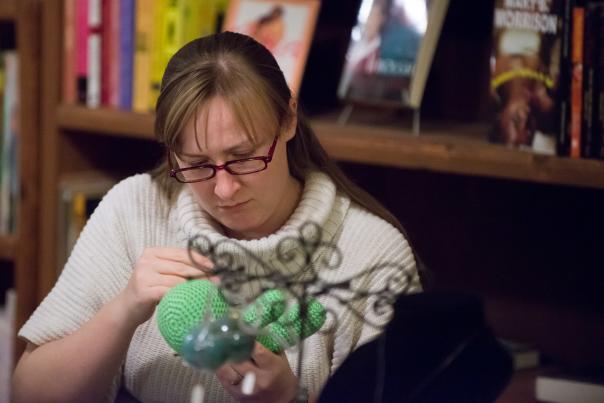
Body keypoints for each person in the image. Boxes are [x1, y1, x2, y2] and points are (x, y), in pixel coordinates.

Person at [12, 32, 421, 403]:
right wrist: (122, 312)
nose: (224, 191)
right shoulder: (135, 209)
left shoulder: (372, 253)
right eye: (197, 164)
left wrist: (285, 397)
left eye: (244, 158)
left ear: (289, 119)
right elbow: (28, 393)